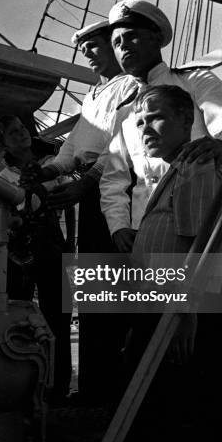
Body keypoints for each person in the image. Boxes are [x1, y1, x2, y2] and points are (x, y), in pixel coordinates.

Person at [109, 85, 222, 442]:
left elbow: (202, 248)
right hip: (162, 306)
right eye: (140, 121)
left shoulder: (196, 168)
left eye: (157, 117)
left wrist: (183, 313)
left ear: (187, 120)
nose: (146, 128)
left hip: (179, 313)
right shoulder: (176, 169)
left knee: (187, 409)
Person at [99, 0, 222, 252]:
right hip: (143, 229)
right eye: (116, 43)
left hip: (196, 224)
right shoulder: (125, 109)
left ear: (156, 37)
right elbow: (114, 177)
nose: (124, 47)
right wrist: (118, 225)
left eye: (132, 36)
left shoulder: (195, 81)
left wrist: (221, 145)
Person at [39, 20, 133, 404]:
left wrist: (85, 182)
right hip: (90, 194)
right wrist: (47, 171)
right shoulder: (94, 96)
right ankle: (94, 387)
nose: (88, 53)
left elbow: (120, 144)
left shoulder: (130, 85)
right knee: (95, 298)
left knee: (114, 296)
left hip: (115, 192)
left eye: (94, 46)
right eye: (84, 50)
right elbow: (71, 148)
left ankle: (113, 391)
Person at [0, 115, 72, 402]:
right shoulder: (3, 177)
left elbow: (69, 197)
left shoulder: (54, 162)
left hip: (54, 248)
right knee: (18, 314)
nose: (21, 135)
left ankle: (58, 387)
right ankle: (23, 384)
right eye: (13, 132)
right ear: (3, 142)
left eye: (23, 130)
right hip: (20, 254)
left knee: (58, 318)